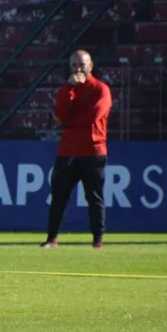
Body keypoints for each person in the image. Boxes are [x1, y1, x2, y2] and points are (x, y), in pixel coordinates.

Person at [43, 50, 112, 249]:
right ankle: (52, 239)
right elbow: (59, 115)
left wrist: (68, 123)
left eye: (82, 64)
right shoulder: (66, 89)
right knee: (58, 196)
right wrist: (69, 88)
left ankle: (97, 241)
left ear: (91, 66)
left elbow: (93, 116)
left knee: (94, 197)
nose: (78, 69)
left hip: (93, 151)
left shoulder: (101, 89)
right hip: (67, 151)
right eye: (74, 65)